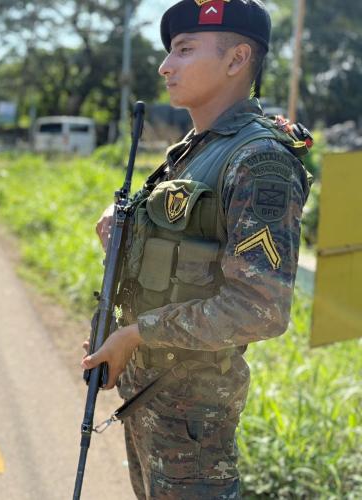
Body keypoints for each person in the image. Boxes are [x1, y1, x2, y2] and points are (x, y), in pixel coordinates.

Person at [80, 1, 312, 498]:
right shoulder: (195, 149)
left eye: (184, 50)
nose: (166, 66)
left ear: (236, 60)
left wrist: (137, 335)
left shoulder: (260, 159)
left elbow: (259, 308)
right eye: (169, 52)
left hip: (193, 416)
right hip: (150, 398)